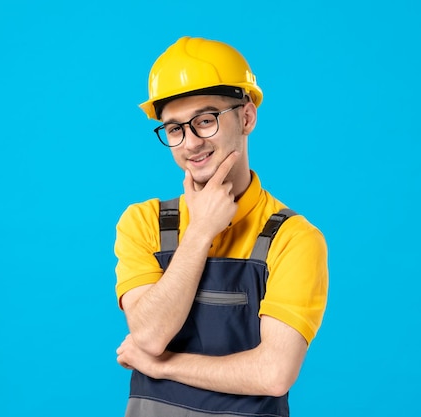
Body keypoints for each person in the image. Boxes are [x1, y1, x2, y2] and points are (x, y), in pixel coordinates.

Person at [114, 36, 328, 417]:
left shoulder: (293, 239)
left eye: (206, 121)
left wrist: (162, 366)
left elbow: (274, 373)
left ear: (246, 117)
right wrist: (200, 232)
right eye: (174, 129)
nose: (191, 143)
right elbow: (148, 336)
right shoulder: (142, 222)